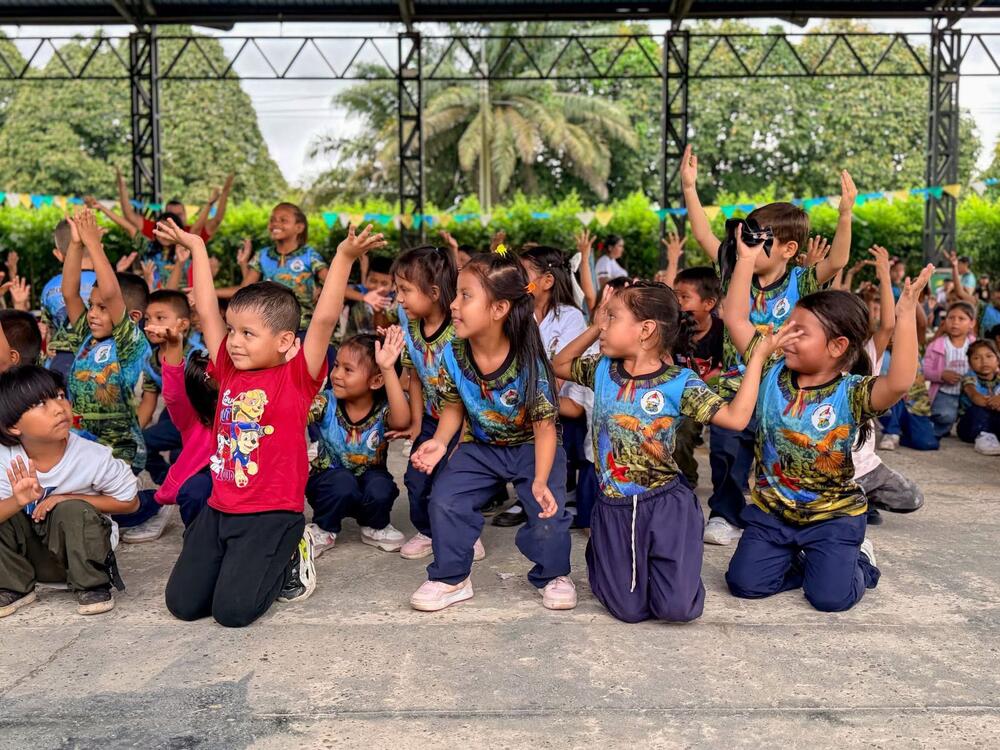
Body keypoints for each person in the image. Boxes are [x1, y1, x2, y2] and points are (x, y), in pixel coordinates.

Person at [156, 218, 384, 628]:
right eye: (232, 331)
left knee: (233, 613)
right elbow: (207, 310)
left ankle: (293, 549)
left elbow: (324, 321)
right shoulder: (227, 367)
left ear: (282, 341)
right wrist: (197, 248)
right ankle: (237, 562)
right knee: (184, 605)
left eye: (248, 333)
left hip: (271, 513)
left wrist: (344, 256)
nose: (235, 341)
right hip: (220, 507)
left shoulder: (297, 377)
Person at [552, 281, 794, 623]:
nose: (604, 326)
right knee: (628, 610)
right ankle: (611, 557)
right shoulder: (602, 369)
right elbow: (561, 364)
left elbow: (737, 419)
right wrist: (596, 325)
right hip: (614, 507)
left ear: (646, 329)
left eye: (613, 318)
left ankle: (669, 559)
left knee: (677, 609)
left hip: (664, 506)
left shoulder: (680, 381)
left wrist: (756, 359)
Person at [723, 229, 934, 612]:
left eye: (800, 332)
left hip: (833, 517)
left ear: (837, 346)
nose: (786, 335)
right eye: (788, 326)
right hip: (773, 513)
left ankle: (860, 560)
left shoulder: (853, 392)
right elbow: (735, 316)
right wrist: (746, 261)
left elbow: (900, 381)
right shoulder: (769, 368)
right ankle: (802, 560)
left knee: (829, 598)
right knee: (744, 584)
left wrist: (904, 316)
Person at [681, 143, 856, 546]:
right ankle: (724, 513)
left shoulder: (802, 281)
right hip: (734, 381)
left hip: (782, 386)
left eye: (761, 240)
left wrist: (845, 214)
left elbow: (839, 260)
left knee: (779, 450)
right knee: (726, 445)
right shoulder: (732, 271)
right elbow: (703, 233)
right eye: (748, 236)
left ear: (788, 250)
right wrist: (691, 189)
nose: (749, 244)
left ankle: (774, 509)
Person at [408, 251, 575, 612]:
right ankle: (451, 578)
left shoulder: (530, 358)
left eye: (465, 296)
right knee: (445, 500)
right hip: (480, 446)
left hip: (533, 446)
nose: (453, 305)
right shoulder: (453, 351)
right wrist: (439, 442)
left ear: (498, 309)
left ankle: (554, 574)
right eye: (456, 294)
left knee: (547, 511)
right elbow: (454, 404)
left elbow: (545, 427)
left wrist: (541, 480)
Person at [0, 366, 139, 618]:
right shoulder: (5, 458)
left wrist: (69, 497)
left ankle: (92, 584)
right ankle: (14, 586)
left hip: (78, 556)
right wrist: (17, 500)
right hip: (29, 558)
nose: (58, 408)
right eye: (41, 403)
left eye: (60, 395)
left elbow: (130, 502)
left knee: (73, 509)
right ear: (12, 427)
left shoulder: (91, 455)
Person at [493, 245, 590, 528]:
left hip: (557, 397)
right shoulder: (515, 313)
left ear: (547, 282)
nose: (516, 279)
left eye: (523, 274)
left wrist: (534, 403)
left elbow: (560, 372)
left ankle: (550, 491)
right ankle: (526, 495)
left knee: (557, 420)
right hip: (524, 395)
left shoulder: (570, 317)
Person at [305, 328, 410, 555]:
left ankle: (374, 525)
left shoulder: (383, 409)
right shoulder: (326, 401)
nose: (337, 375)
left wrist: (388, 368)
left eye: (348, 369)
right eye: (336, 366)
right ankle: (324, 527)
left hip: (369, 478)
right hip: (329, 480)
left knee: (381, 487)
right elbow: (297, 415)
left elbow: (402, 422)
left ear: (376, 381)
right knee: (342, 482)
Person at [62, 208, 152, 473]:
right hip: (83, 446)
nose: (92, 314)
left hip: (120, 454)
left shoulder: (130, 342)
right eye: (92, 306)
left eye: (102, 308)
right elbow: (70, 294)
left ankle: (143, 506)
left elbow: (112, 295)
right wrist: (77, 245)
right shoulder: (87, 337)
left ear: (132, 316)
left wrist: (94, 245)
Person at [391, 245, 460, 560]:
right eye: (397, 290)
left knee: (453, 481)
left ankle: (463, 533)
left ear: (433, 292)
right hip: (431, 419)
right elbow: (416, 377)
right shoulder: (412, 327)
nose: (399, 298)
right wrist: (417, 424)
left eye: (405, 289)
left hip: (463, 422)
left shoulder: (460, 332)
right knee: (416, 479)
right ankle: (428, 531)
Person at [118, 327, 218, 542]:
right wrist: (174, 348)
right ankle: (198, 539)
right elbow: (173, 396)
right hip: (207, 479)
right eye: (213, 394)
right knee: (193, 489)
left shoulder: (250, 410)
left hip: (246, 481)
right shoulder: (193, 420)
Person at [852, 246, 924, 523]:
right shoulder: (816, 361)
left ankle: (862, 497)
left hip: (867, 465)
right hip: (833, 468)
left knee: (911, 497)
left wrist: (884, 273)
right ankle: (853, 502)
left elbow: (888, 326)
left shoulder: (868, 352)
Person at [670, 265, 725, 488]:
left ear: (708, 303)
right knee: (672, 434)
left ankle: (690, 480)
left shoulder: (722, 332)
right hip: (677, 398)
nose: (679, 302)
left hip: (710, 399)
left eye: (685, 297)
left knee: (684, 437)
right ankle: (682, 477)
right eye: (676, 296)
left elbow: (725, 369)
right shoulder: (673, 331)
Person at [239, 202, 328, 331]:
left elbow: (333, 283)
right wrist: (243, 263)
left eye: (283, 220)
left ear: (299, 227)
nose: (275, 223)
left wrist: (363, 296)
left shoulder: (309, 255)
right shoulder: (262, 255)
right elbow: (245, 290)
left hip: (304, 328)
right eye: (272, 220)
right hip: (269, 325)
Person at [41, 219, 96, 378]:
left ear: (58, 254)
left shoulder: (49, 288)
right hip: (99, 363)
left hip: (58, 365)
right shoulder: (107, 282)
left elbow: (48, 334)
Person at [924, 301, 977, 439]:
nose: (955, 322)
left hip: (970, 393)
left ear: (972, 323)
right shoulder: (937, 345)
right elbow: (925, 370)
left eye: (961, 319)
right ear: (945, 321)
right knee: (945, 416)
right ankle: (937, 428)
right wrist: (941, 375)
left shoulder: (975, 346)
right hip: (945, 392)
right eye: (951, 318)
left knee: (973, 417)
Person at [956, 339, 1000, 455]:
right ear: (970, 364)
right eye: (977, 358)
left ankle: (993, 437)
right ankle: (983, 438)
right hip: (970, 425)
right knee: (978, 410)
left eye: (989, 356)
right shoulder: (970, 378)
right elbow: (976, 397)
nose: (984, 361)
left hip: (993, 421)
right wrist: (995, 402)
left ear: (998, 360)